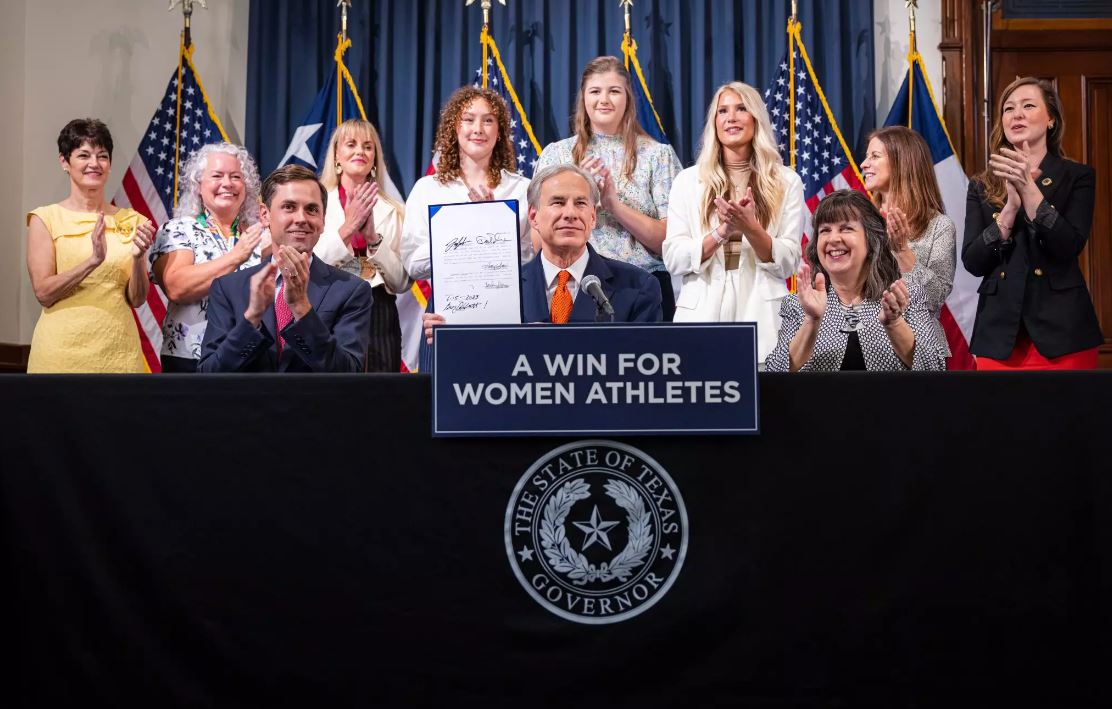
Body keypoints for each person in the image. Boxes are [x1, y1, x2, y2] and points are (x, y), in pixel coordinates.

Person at [424, 164, 661, 342]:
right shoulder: (499, 290)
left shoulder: (639, 287)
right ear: (534, 216)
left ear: (592, 217)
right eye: (558, 202)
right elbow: (478, 361)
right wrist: (449, 335)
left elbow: (643, 375)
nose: (570, 214)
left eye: (580, 203)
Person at [962, 76, 1102, 370]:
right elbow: (974, 262)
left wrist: (1029, 190)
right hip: (999, 337)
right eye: (1009, 109)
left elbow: (1068, 246)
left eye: (1028, 106)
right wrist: (1010, 209)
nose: (1017, 115)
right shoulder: (981, 185)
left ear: (1051, 119)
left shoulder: (1077, 176)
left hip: (1063, 334)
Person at [662, 82, 805, 366]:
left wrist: (751, 228)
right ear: (714, 123)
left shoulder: (786, 181)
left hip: (763, 325)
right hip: (699, 321)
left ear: (756, 119)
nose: (732, 118)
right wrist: (721, 233)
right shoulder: (688, 181)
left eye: (741, 109)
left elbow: (788, 260)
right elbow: (674, 258)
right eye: (722, 111)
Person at [535, 56, 682, 319]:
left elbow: (670, 242)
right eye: (595, 91)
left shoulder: (658, 155)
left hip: (640, 289)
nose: (604, 99)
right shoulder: (556, 155)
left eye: (614, 91)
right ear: (583, 98)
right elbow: (536, 237)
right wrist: (581, 193)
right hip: (569, 286)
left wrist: (613, 204)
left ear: (628, 98)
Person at [197, 165, 372, 373]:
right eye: (289, 207)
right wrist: (251, 318)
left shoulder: (352, 290)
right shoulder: (228, 288)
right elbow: (209, 374)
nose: (301, 218)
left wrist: (302, 309)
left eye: (312, 209)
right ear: (264, 215)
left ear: (323, 221)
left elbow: (350, 373)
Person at [25, 118, 155, 373]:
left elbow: (137, 299)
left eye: (102, 156)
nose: (94, 164)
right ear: (64, 162)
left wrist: (139, 259)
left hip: (119, 354)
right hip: (59, 356)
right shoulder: (45, 219)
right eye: (83, 155)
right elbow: (43, 293)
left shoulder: (133, 220)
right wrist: (92, 261)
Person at [766, 190, 946, 372]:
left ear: (871, 239)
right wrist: (812, 321)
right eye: (825, 230)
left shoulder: (907, 297)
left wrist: (894, 323)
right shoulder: (797, 305)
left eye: (846, 229)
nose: (833, 238)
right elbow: (776, 374)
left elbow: (934, 368)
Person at [149, 143, 267, 372]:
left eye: (236, 176)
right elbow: (177, 287)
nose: (227, 183)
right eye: (217, 176)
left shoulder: (257, 234)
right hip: (190, 358)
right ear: (198, 185)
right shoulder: (179, 229)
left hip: (248, 355)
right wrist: (236, 257)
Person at [401, 86, 532, 282]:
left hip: (507, 303)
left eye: (488, 121)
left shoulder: (523, 189)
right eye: (469, 120)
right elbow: (413, 264)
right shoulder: (427, 189)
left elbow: (532, 256)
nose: (478, 129)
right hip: (447, 309)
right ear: (455, 127)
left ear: (500, 131)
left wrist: (495, 228)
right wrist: (468, 235)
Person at [315, 118, 410, 372]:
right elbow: (307, 266)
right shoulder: (315, 204)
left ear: (375, 158)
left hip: (379, 312)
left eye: (368, 146)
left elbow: (402, 282)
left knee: (378, 400)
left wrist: (372, 239)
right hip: (328, 304)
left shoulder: (395, 210)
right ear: (336, 156)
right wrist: (348, 228)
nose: (360, 151)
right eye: (351, 144)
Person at [860, 126, 956, 358]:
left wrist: (902, 252)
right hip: (863, 348)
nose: (864, 164)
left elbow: (934, 297)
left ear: (903, 162)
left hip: (919, 350)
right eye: (867, 156)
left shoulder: (939, 226)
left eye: (874, 156)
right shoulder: (856, 222)